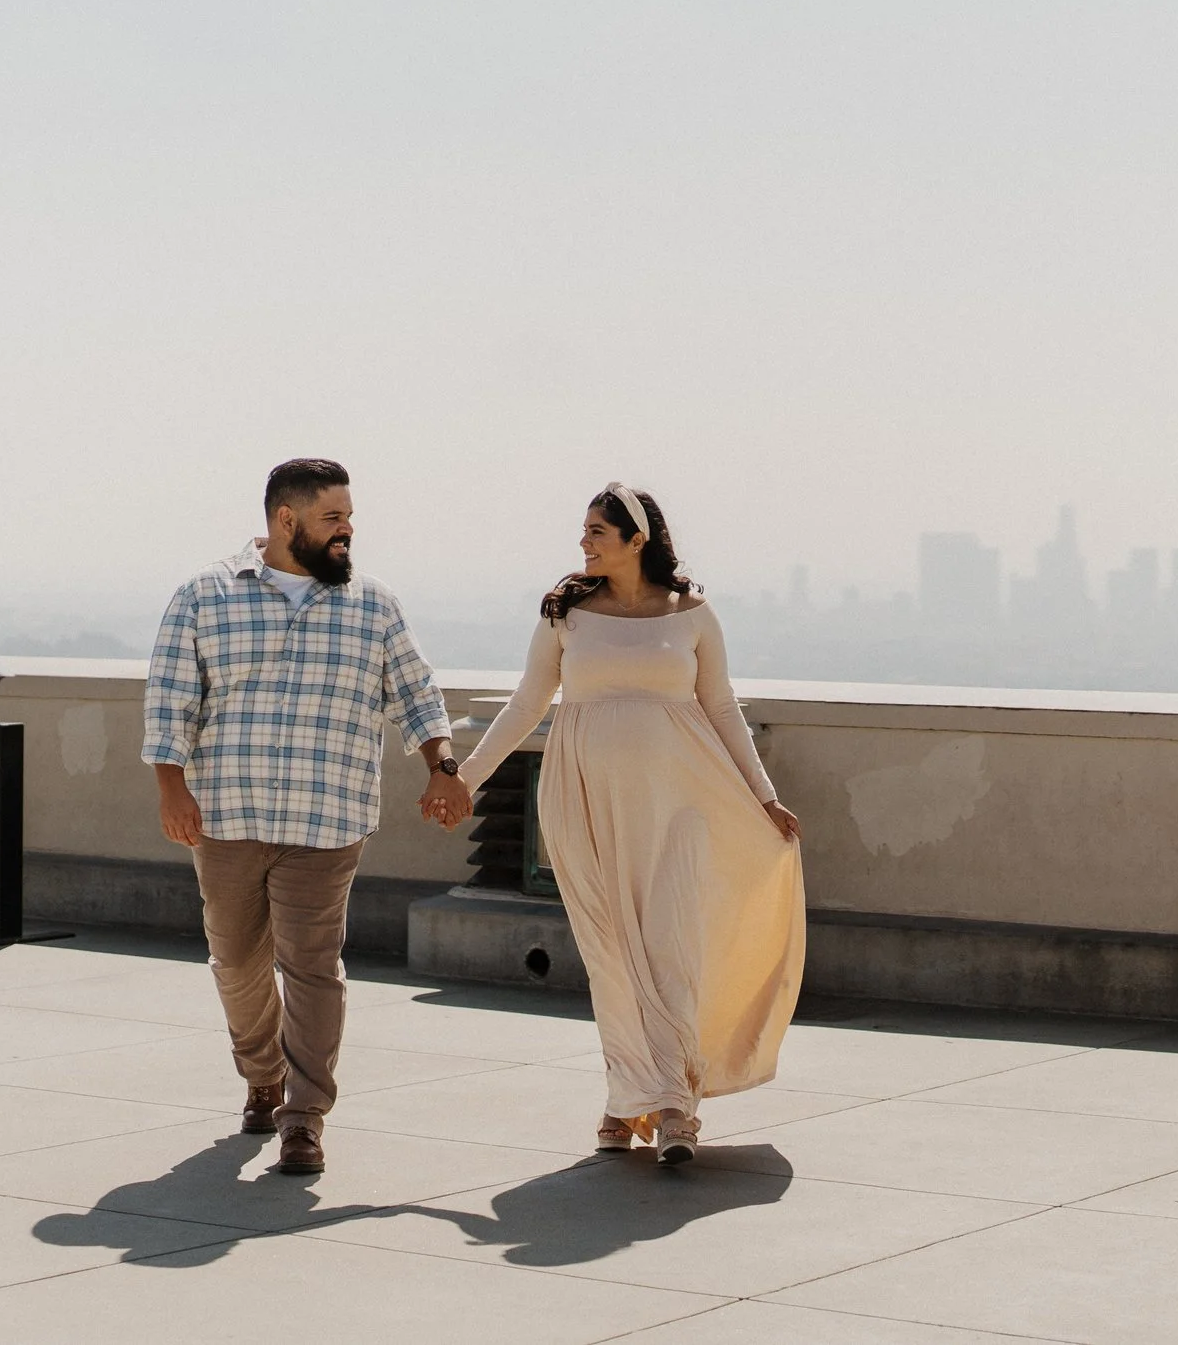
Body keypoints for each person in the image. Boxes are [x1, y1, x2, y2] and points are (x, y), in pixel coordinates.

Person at [422, 483, 805, 1165]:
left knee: (672, 944)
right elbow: (524, 705)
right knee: (611, 954)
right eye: (584, 529)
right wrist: (465, 778)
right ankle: (629, 1094)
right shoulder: (566, 613)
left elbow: (721, 707)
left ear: (638, 539)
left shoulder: (692, 614)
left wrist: (765, 795)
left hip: (683, 801)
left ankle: (677, 1106)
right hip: (586, 799)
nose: (584, 540)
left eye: (598, 529)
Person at [144, 458, 461, 1178]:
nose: (348, 529)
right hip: (226, 814)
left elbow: (416, 694)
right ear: (286, 521)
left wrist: (442, 764)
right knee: (235, 959)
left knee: (313, 967)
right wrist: (171, 787)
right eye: (333, 518)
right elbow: (170, 700)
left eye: (349, 517)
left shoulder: (373, 605)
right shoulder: (204, 595)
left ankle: (304, 1116)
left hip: (327, 819)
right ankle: (262, 1074)